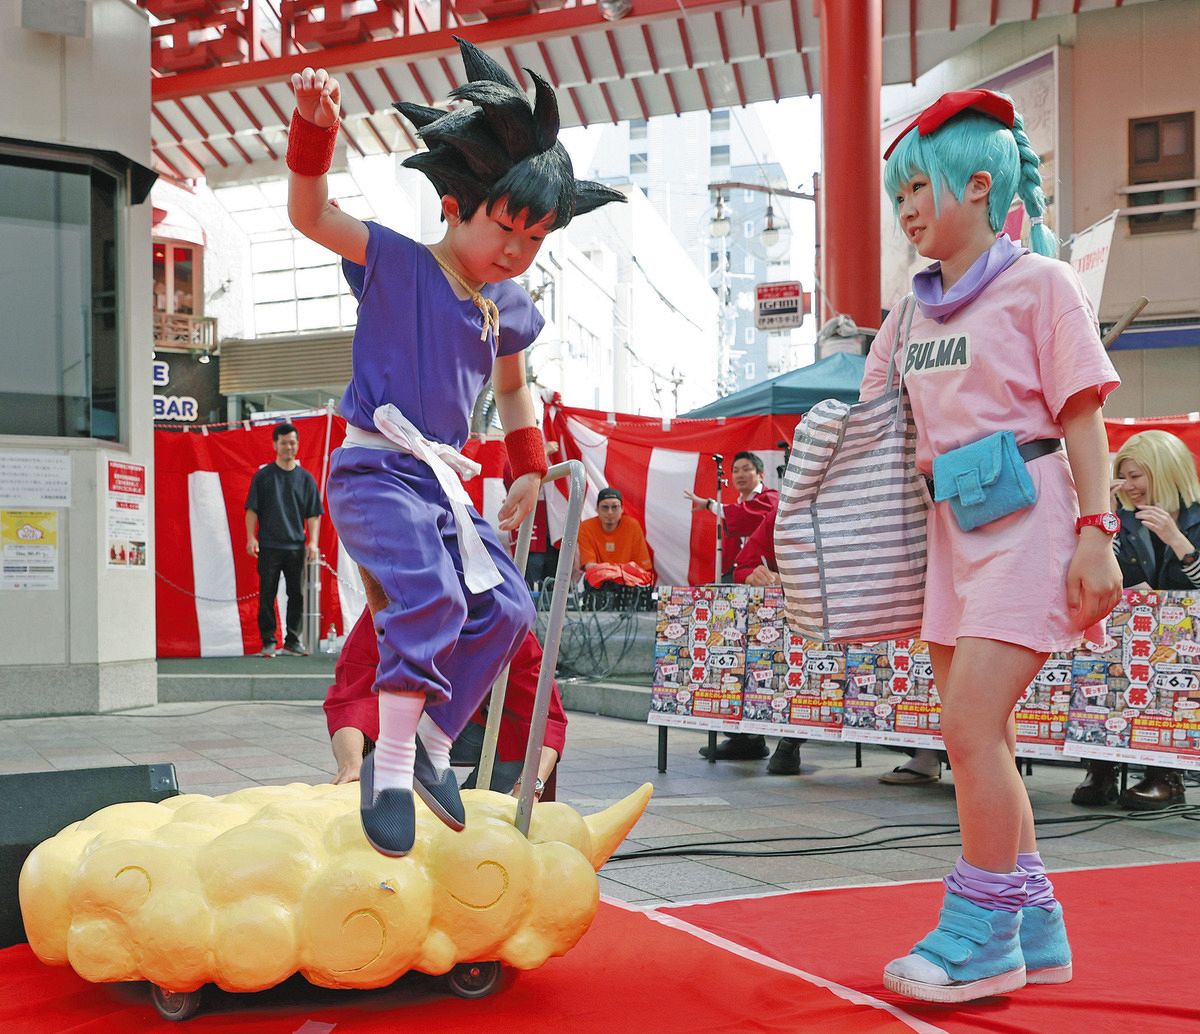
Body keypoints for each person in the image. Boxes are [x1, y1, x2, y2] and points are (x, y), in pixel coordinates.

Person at [285, 39, 623, 858]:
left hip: (444, 487)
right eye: (507, 227)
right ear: (454, 203)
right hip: (376, 470)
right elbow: (310, 215)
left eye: (536, 238)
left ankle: (436, 749)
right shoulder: (398, 263)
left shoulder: (507, 305)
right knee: (432, 600)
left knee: (507, 609)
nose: (517, 251)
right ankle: (391, 766)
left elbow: (512, 390)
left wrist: (530, 473)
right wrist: (310, 132)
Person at [855, 89, 1122, 1003]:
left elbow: (1085, 416)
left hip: (1030, 518)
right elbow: (872, 421)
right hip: (949, 534)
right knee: (989, 733)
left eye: (919, 187)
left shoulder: (1043, 284)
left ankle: (981, 935)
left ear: (978, 184)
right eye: (899, 196)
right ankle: (1038, 925)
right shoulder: (910, 312)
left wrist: (1098, 533)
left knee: (966, 728)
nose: (908, 208)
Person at [1071, 429, 1200, 810]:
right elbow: (1104, 573)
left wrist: (1179, 542)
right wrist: (1106, 520)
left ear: (1165, 471)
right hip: (1131, 638)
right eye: (1123, 476)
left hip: (1187, 647)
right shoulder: (1123, 521)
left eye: (1136, 475)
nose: (1128, 485)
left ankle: (1166, 777)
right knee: (1101, 664)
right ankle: (1101, 767)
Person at [325, 600, 567, 801]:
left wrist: (529, 789)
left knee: (518, 744)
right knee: (372, 738)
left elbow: (546, 717)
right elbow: (354, 693)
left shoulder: (503, 617)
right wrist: (352, 764)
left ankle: (474, 806)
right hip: (406, 720)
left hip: (474, 726)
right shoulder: (390, 604)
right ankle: (394, 798)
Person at [244, 422, 323, 658]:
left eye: (292, 442)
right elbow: (251, 510)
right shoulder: (263, 476)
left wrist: (313, 542)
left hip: (296, 546)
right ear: (275, 445)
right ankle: (268, 641)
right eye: (284, 442)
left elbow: (313, 514)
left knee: (296, 595)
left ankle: (292, 640)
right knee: (267, 594)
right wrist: (251, 537)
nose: (289, 447)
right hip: (268, 545)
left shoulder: (306, 479)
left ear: (297, 445)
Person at [685, 450, 779, 581]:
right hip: (741, 573)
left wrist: (709, 504)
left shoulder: (771, 498)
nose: (740, 475)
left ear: (761, 475)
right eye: (735, 471)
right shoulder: (735, 508)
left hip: (766, 573)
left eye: (746, 469)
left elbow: (745, 515)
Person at [576, 487, 654, 580]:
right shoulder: (586, 527)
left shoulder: (632, 526)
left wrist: (611, 571)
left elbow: (642, 568)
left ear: (622, 509)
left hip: (628, 582)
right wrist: (620, 570)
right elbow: (589, 566)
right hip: (599, 582)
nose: (610, 512)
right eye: (605, 507)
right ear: (597, 509)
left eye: (615, 507)